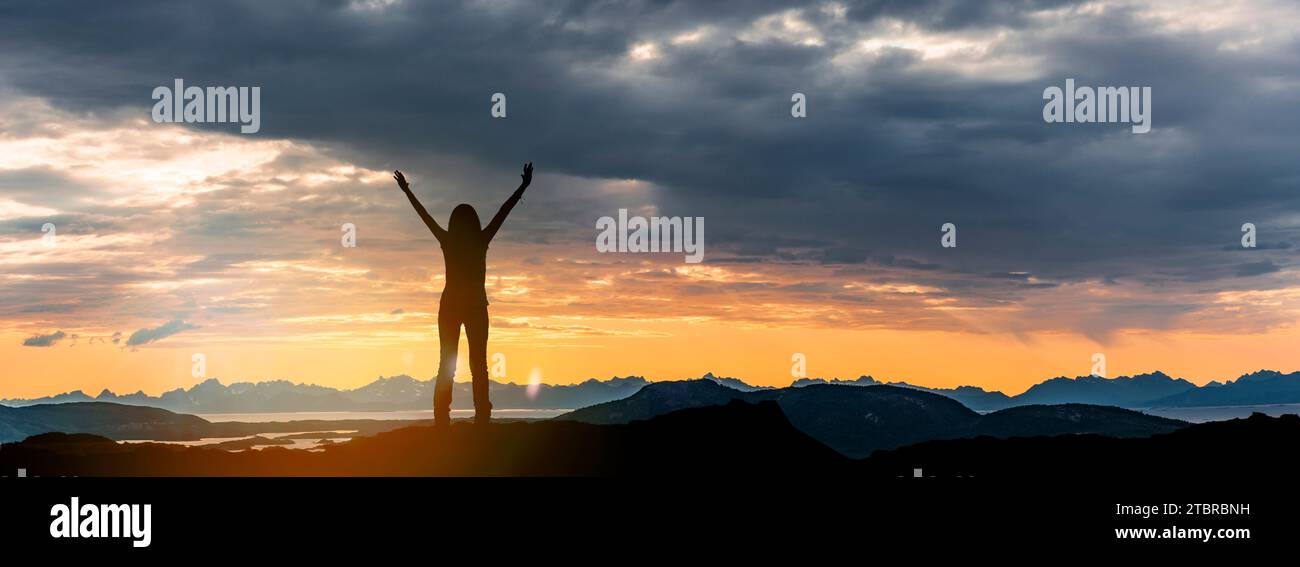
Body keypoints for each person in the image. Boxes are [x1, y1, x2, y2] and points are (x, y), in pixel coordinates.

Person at [394, 162, 533, 425]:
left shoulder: (448, 240)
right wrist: (523, 186)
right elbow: (504, 211)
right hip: (476, 307)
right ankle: (482, 419)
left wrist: (406, 191)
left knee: (447, 364)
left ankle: (441, 420)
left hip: (450, 307)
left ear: (454, 223)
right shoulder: (481, 240)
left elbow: (423, 215)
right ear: (474, 222)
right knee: (478, 365)